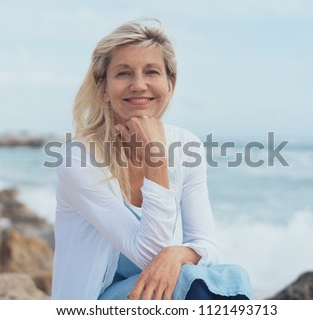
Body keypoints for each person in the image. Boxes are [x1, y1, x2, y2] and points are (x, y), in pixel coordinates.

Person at [51, 18, 253, 300]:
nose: (139, 85)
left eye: (151, 72)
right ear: (103, 88)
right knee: (192, 282)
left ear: (170, 83)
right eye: (123, 73)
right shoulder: (78, 157)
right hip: (94, 301)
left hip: (156, 290)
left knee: (230, 276)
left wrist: (178, 253)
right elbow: (147, 253)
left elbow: (207, 245)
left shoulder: (186, 146)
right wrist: (156, 159)